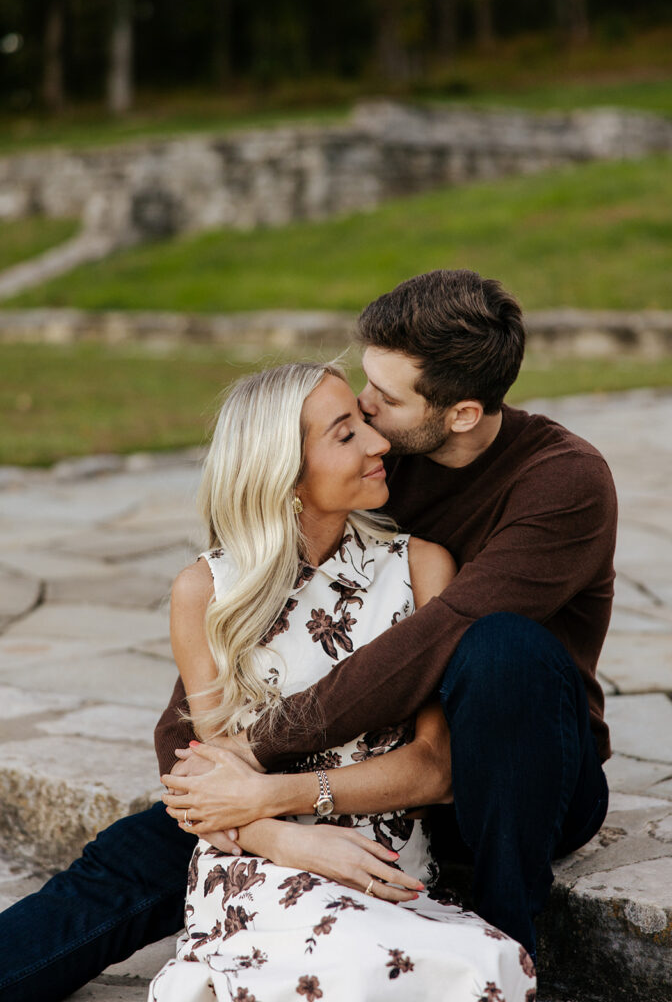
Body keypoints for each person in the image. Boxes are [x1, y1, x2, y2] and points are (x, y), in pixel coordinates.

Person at [0, 269, 615, 1001]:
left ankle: (506, 945)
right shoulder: (382, 460)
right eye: (362, 393)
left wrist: (256, 765)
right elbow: (205, 700)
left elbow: (437, 639)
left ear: (460, 414)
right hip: (340, 780)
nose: (367, 411)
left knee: (498, 647)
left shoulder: (560, 482)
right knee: (129, 860)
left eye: (384, 399)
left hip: (520, 776)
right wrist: (249, 808)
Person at [147, 360, 534, 1001]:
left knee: (492, 966)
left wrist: (284, 797)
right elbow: (209, 784)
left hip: (392, 876)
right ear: (286, 471)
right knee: (359, 967)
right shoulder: (206, 592)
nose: (380, 442)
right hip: (261, 873)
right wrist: (291, 842)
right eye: (346, 433)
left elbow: (436, 770)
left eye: (364, 423)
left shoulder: (421, 568)